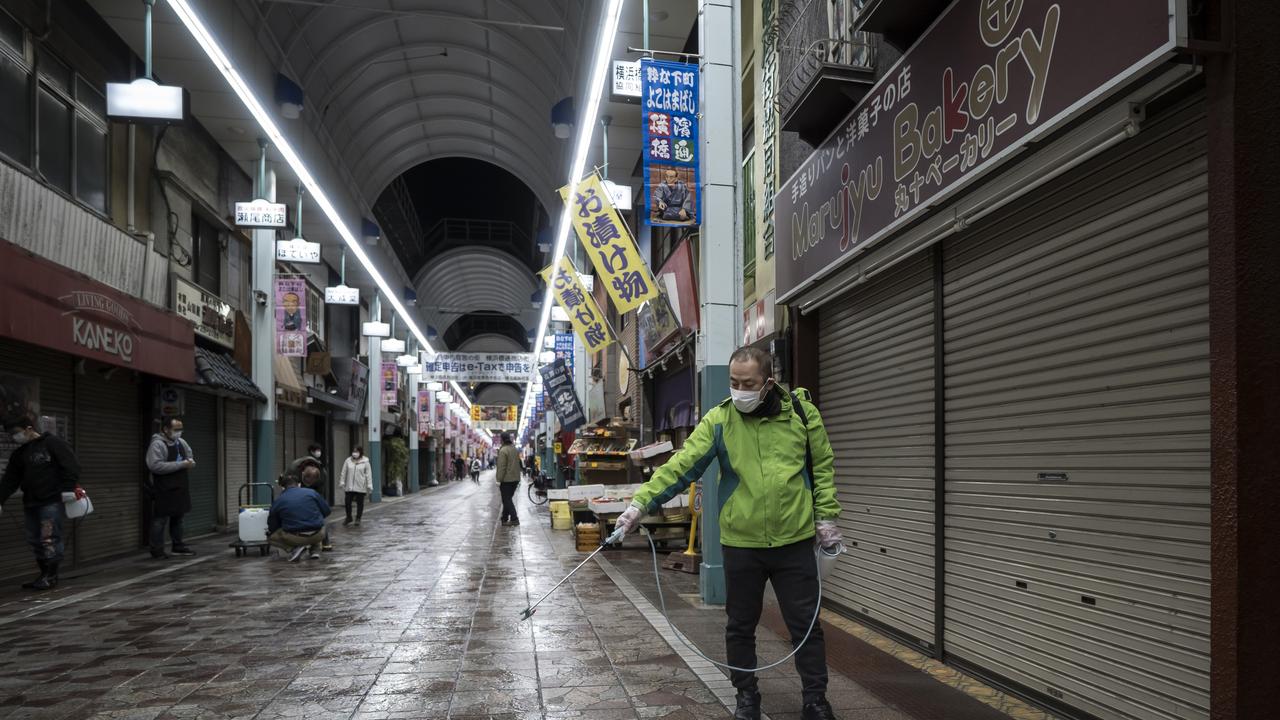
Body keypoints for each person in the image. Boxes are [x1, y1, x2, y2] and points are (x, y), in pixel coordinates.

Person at [615, 346, 843, 720]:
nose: (739, 391)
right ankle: (746, 697)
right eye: (734, 382)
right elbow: (682, 465)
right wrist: (641, 504)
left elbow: (822, 468)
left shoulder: (802, 414)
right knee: (740, 626)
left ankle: (815, 700)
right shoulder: (719, 420)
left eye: (748, 383)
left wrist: (827, 517)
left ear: (768, 382)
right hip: (741, 543)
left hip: (795, 540)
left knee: (806, 626)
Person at [0, 416, 80, 590]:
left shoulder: (52, 443)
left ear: (28, 428)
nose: (14, 437)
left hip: (50, 501)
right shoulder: (19, 454)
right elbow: (9, 481)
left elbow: (71, 465)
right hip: (31, 503)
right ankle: (44, 574)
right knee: (34, 540)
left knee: (49, 539)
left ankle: (51, 576)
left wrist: (67, 489)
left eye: (16, 433)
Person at [145, 417, 197, 559]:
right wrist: (181, 464)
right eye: (176, 429)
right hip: (164, 488)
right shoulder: (157, 444)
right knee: (160, 519)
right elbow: (155, 466)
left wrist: (190, 463)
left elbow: (190, 457)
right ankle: (157, 550)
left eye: (181, 429)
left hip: (180, 487)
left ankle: (178, 545)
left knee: (178, 518)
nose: (179, 432)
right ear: (166, 429)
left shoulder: (181, 442)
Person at [267, 467, 330, 562]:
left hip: (294, 537)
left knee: (271, 537)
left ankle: (294, 549)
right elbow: (327, 511)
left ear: (283, 487)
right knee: (322, 523)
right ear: (299, 484)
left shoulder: (279, 500)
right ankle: (315, 550)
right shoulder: (312, 493)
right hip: (318, 534)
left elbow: (272, 524)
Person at [290, 444, 332, 550]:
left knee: (318, 517)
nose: (318, 452)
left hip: (313, 493)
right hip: (302, 493)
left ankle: (323, 542)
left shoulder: (320, 470)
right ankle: (301, 543)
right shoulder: (296, 467)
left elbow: (322, 488)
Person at [339, 445, 372, 526]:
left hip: (360, 486)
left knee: (360, 503)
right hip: (349, 486)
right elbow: (343, 472)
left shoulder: (365, 461)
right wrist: (342, 482)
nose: (355, 453)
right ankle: (349, 517)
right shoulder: (348, 460)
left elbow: (368, 474)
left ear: (360, 452)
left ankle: (358, 518)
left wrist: (369, 485)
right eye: (353, 451)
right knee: (347, 502)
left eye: (356, 452)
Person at [495, 433, 521, 526]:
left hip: (507, 480)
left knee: (507, 500)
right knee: (507, 499)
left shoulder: (503, 451)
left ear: (502, 440)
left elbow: (502, 467)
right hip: (515, 479)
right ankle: (504, 518)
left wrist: (498, 479)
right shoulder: (514, 449)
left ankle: (514, 519)